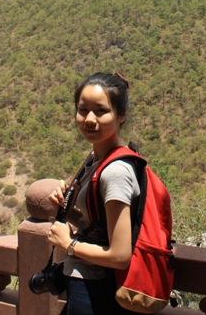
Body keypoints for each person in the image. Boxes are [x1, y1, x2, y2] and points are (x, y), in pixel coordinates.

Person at [48, 72, 139, 315]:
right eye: (83, 109)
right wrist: (69, 213)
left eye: (100, 111)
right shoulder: (94, 160)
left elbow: (119, 255)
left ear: (121, 116)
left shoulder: (116, 172)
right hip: (83, 282)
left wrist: (68, 244)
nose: (89, 119)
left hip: (97, 290)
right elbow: (99, 227)